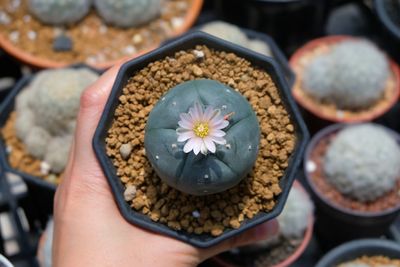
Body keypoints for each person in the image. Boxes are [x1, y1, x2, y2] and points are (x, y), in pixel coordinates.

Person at [52, 65, 278, 267]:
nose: (201, 130)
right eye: (199, 129)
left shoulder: (205, 130)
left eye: (202, 130)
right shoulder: (192, 130)